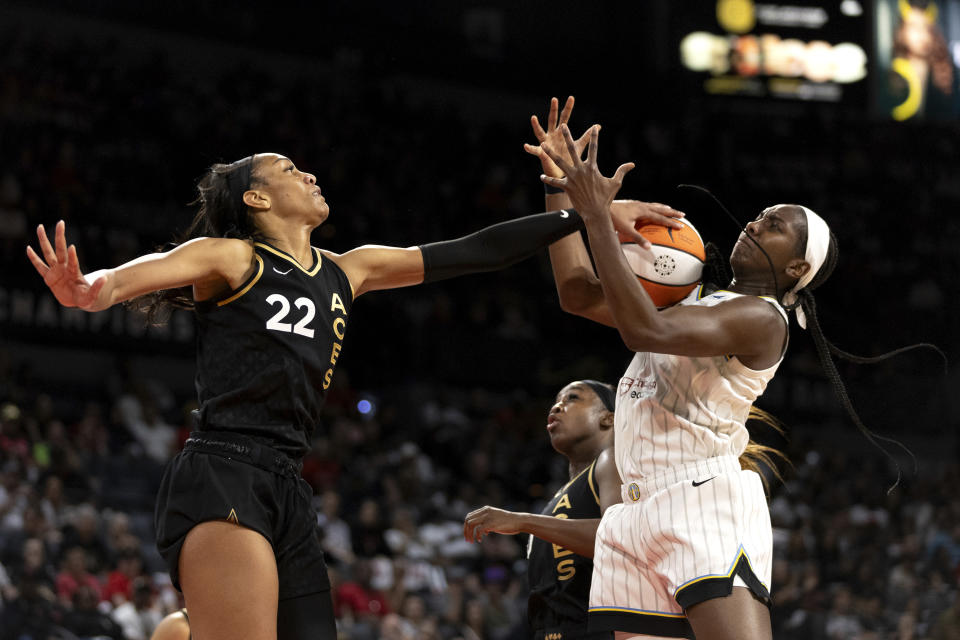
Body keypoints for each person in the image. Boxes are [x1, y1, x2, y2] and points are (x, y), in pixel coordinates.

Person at [26, 151, 651, 639]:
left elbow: (472, 252)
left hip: (288, 485)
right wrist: (91, 289)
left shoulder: (350, 269)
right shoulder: (229, 256)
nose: (309, 173)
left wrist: (586, 216)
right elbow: (133, 276)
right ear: (257, 197)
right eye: (289, 170)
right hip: (225, 468)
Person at [528, 99, 937, 640]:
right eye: (761, 214)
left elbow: (644, 332)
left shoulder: (765, 321)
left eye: (773, 226)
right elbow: (577, 295)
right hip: (633, 509)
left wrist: (599, 215)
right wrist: (560, 188)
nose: (755, 221)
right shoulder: (692, 296)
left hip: (702, 498)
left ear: (796, 268)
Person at [464, 379, 620, 640]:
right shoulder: (561, 495)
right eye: (556, 401)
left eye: (572, 398)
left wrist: (523, 521)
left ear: (607, 418)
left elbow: (618, 539)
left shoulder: (612, 461)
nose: (556, 407)